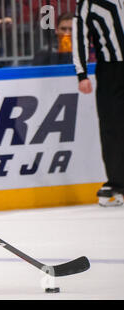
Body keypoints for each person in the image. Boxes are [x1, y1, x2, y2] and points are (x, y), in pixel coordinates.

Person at [72, 0, 124, 207]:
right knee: (112, 127)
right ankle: (117, 182)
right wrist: (81, 73)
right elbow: (79, 38)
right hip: (111, 70)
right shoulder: (88, 3)